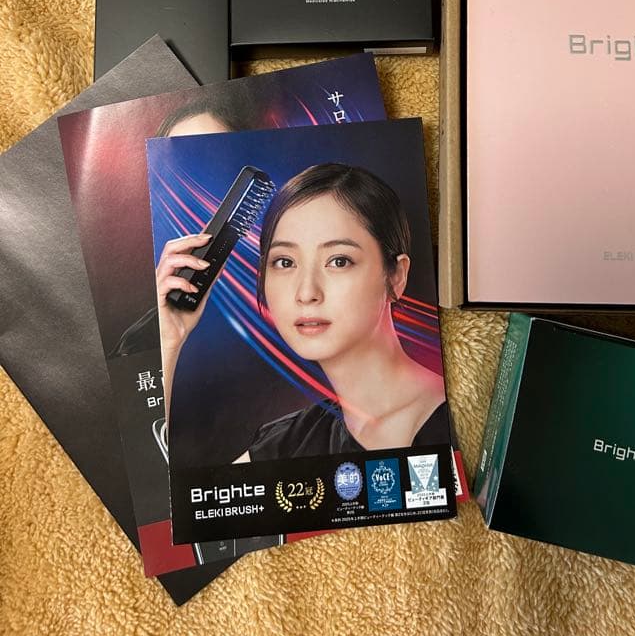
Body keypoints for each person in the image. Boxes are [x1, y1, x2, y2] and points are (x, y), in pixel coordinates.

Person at [157, 162, 448, 459]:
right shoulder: (287, 444)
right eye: (285, 262)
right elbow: (152, 484)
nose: (306, 293)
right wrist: (169, 339)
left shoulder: (452, 415)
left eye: (339, 261)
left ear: (396, 276)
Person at [107, 88, 251, 358]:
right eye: (182, 162)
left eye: (211, 157)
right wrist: (170, 341)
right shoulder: (140, 338)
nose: (195, 183)